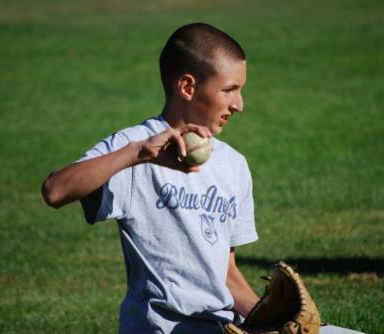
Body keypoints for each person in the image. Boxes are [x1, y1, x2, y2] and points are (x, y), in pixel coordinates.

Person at [41, 22, 259, 334]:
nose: (239, 105)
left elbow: (225, 273)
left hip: (223, 326)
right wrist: (137, 155)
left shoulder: (233, 164)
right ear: (187, 86)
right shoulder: (135, 145)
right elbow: (55, 191)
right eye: (229, 90)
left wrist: (269, 317)